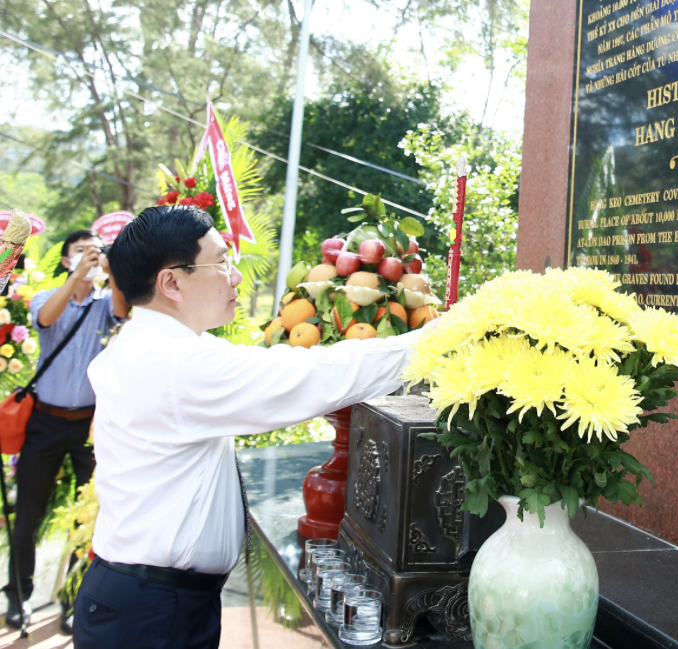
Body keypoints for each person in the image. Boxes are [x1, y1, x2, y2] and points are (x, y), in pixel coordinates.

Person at [74, 205, 432, 648]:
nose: (235, 276)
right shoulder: (174, 364)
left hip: (148, 598)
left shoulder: (154, 348)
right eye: (221, 262)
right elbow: (314, 376)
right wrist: (438, 339)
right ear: (171, 282)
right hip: (152, 612)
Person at [4, 230, 129, 630]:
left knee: (88, 519)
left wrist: (112, 273)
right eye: (82, 252)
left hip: (90, 426)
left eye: (97, 251)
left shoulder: (105, 303)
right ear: (65, 261)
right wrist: (79, 276)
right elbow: (45, 319)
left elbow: (125, 312)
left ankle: (74, 599)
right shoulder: (47, 298)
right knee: (28, 514)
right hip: (44, 422)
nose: (91, 257)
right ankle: (19, 595)